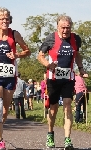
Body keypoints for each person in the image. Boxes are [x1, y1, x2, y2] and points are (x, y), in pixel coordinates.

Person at [0, 6, 31, 150]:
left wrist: (17, 55)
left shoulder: (15, 34)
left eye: (7, 18)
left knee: (4, 111)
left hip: (10, 76)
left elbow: (27, 50)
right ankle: (0, 141)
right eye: (2, 18)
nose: (5, 21)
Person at [37, 15, 88, 149]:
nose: (65, 30)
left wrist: (81, 69)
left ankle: (67, 139)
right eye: (63, 28)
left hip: (68, 78)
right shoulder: (51, 38)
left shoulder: (75, 39)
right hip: (53, 79)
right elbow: (40, 56)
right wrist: (48, 65)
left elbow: (77, 54)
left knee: (67, 105)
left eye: (68, 28)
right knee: (53, 109)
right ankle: (50, 133)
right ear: (57, 27)